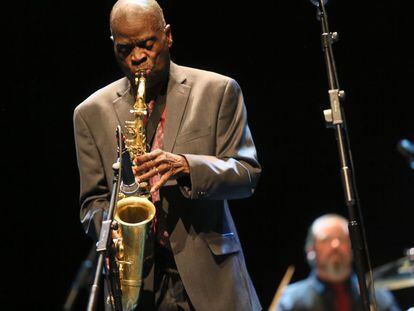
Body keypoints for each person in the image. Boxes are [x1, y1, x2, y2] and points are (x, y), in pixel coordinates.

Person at [73, 0, 262, 310]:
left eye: (147, 44)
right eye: (124, 49)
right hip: (138, 282)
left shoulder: (218, 91)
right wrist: (115, 229)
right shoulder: (90, 113)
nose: (137, 57)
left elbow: (247, 173)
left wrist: (187, 166)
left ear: (168, 36)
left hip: (212, 280)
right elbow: (92, 202)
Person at [277, 214, 400, 311]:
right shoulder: (291, 301)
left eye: (341, 239)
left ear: (352, 247)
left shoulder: (377, 295)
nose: (335, 245)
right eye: (326, 240)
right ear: (311, 250)